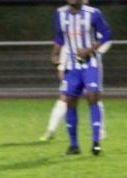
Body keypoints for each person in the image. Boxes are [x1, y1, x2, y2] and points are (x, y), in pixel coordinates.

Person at [40, 0, 109, 142]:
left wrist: (91, 51)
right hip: (71, 64)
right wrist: (57, 59)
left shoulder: (93, 14)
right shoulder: (61, 14)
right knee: (65, 98)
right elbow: (60, 39)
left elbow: (107, 38)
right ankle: (52, 130)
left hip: (91, 64)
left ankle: (99, 131)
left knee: (94, 97)